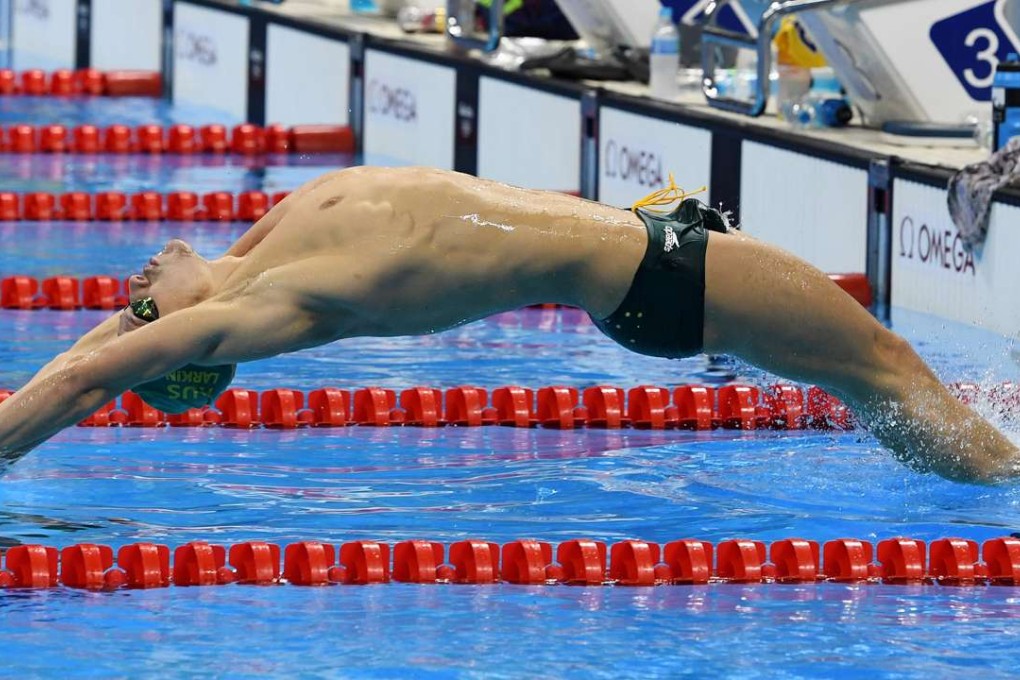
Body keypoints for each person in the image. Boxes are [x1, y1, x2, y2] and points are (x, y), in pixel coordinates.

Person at [0, 166, 1016, 483]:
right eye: (141, 309)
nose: (130, 284)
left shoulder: (260, 245)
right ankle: (1005, 482)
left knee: (874, 376)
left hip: (652, 242)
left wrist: (104, 341)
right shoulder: (260, 307)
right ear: (190, 343)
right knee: (883, 366)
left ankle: (983, 463)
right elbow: (93, 379)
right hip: (655, 276)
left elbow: (92, 354)